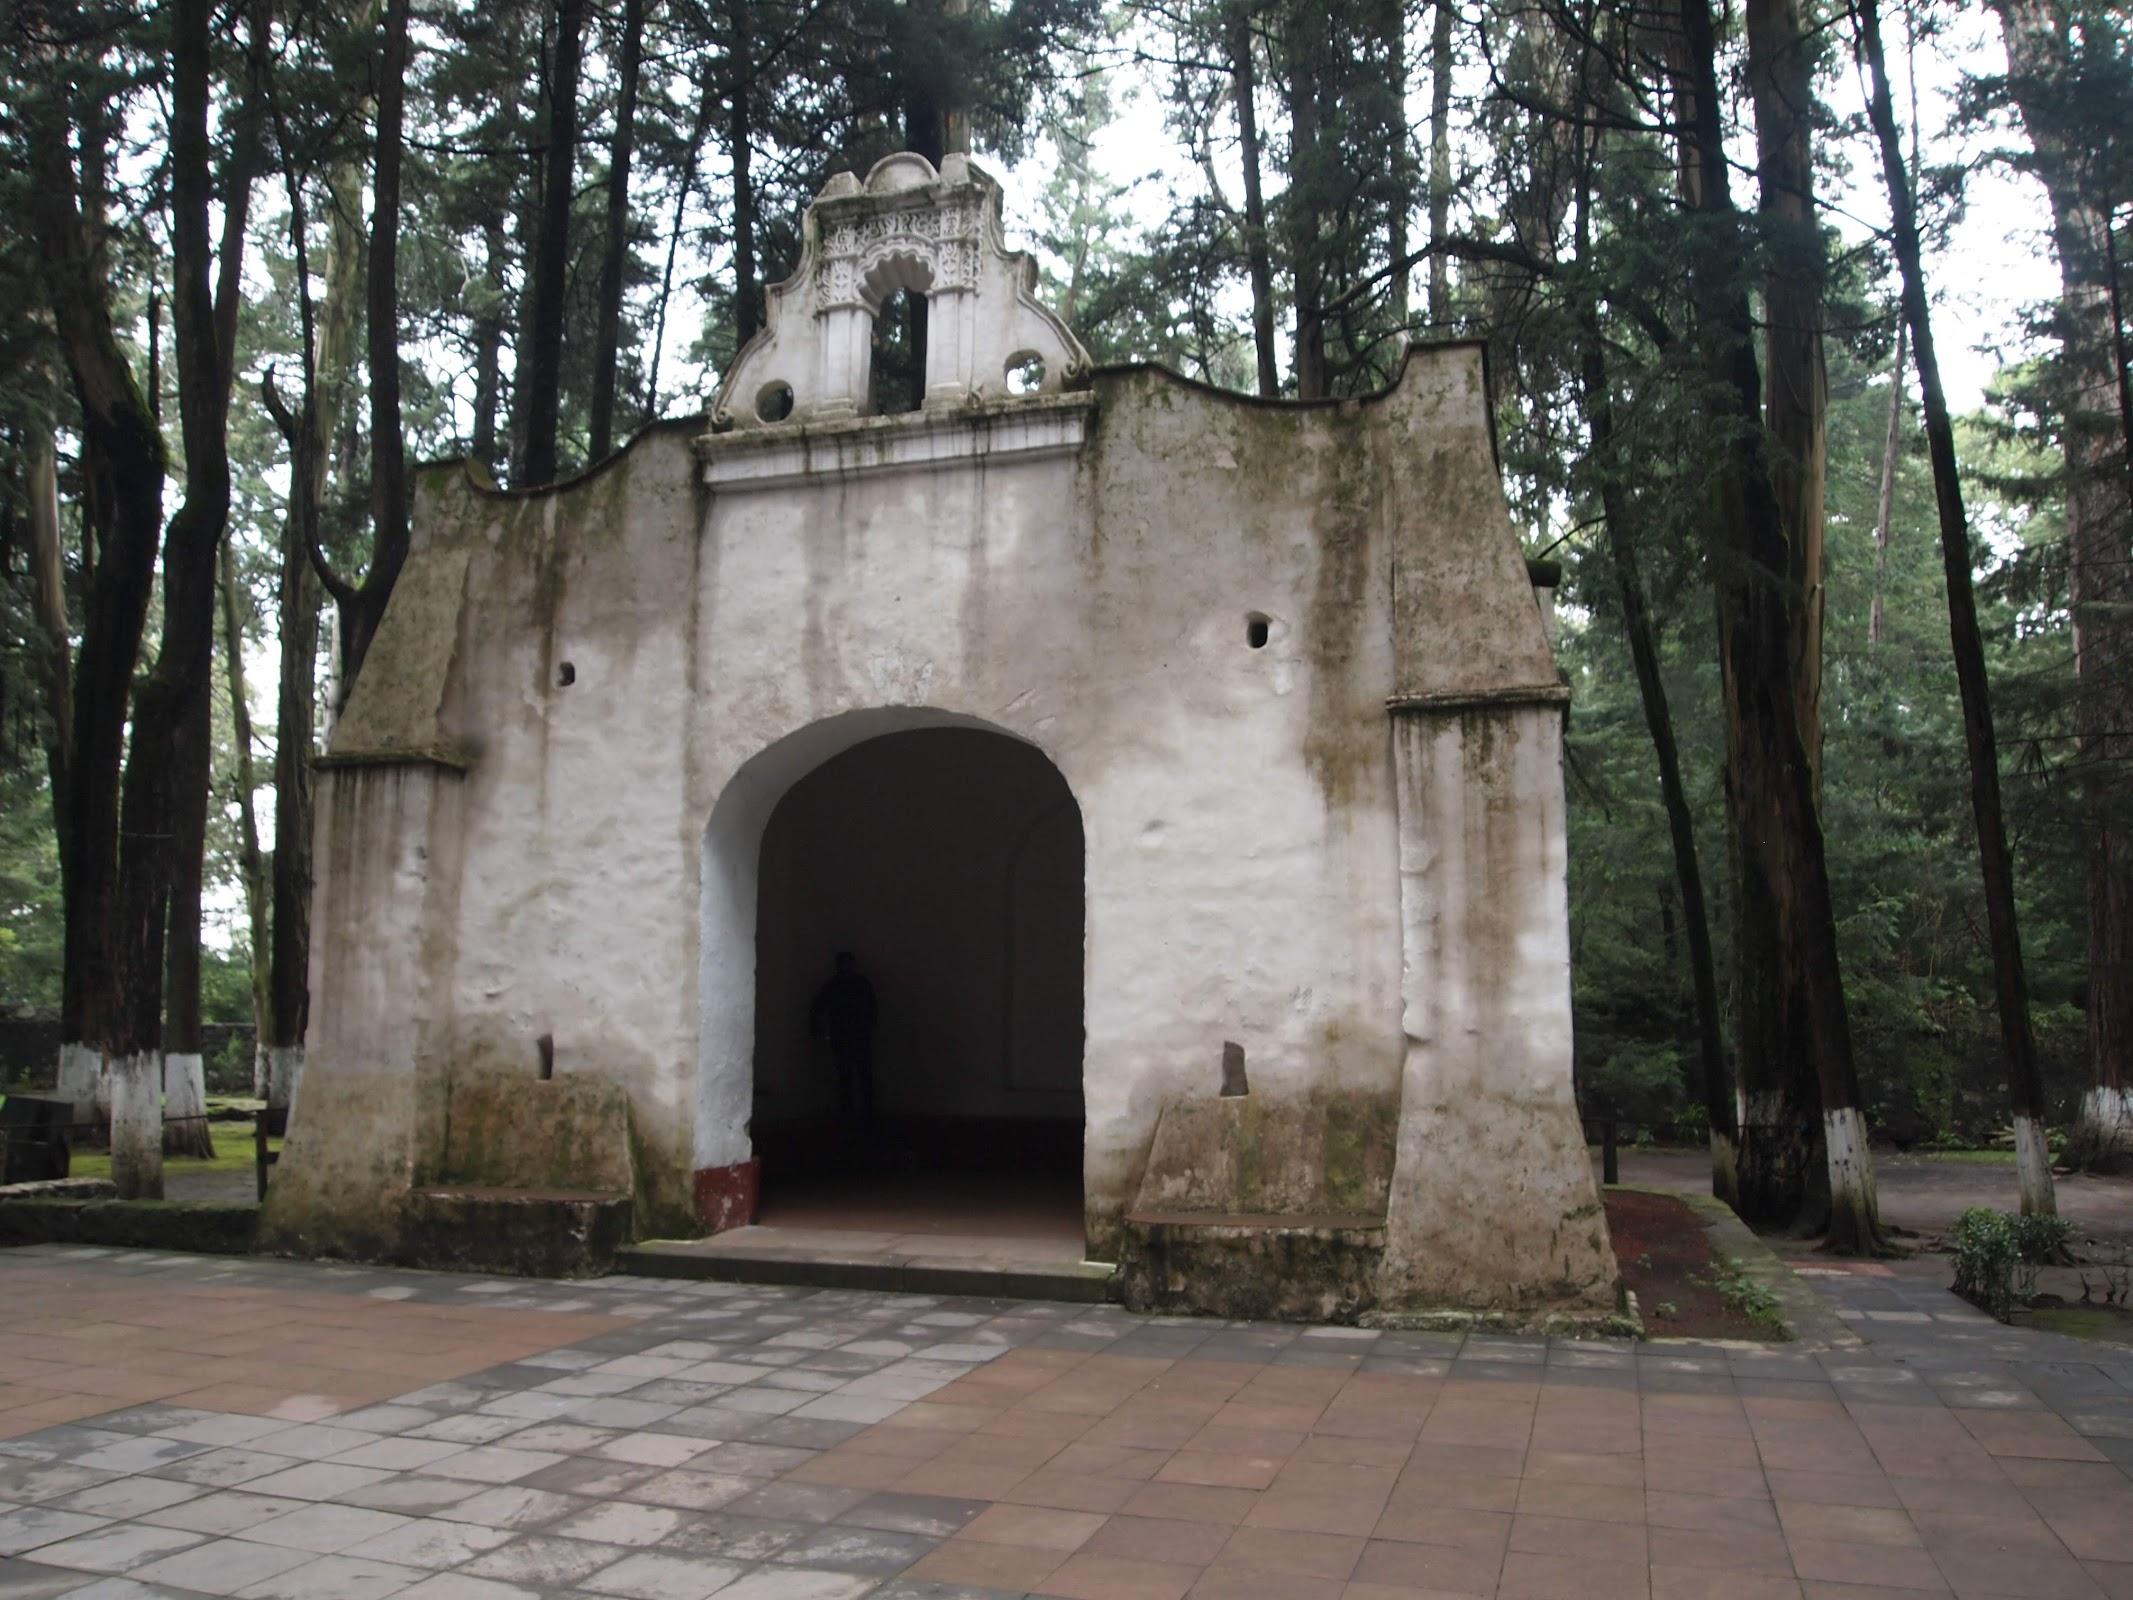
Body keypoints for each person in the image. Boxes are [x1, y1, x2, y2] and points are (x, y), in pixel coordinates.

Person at [810, 951, 878, 1128]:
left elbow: (872, 1007)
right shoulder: (850, 985)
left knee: (857, 1074)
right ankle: (858, 1112)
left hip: (852, 1035)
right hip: (849, 1035)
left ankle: (859, 1111)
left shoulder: (841, 985)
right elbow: (819, 1007)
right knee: (850, 1074)